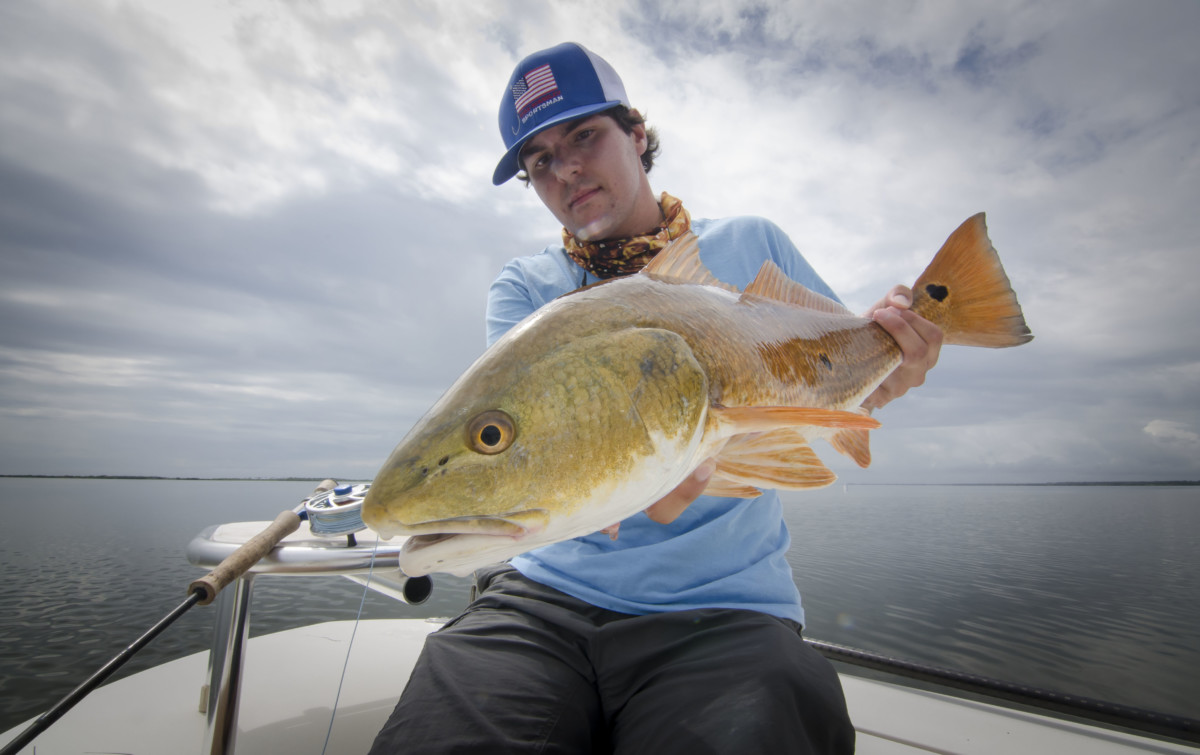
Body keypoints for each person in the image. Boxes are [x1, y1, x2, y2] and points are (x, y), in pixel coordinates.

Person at [369, 42, 942, 755]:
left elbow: (842, 384)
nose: (566, 168)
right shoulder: (523, 289)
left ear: (636, 134)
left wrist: (898, 355)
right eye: (539, 160)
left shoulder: (752, 245)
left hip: (724, 611)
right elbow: (532, 467)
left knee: (770, 718)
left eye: (584, 136)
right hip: (541, 599)